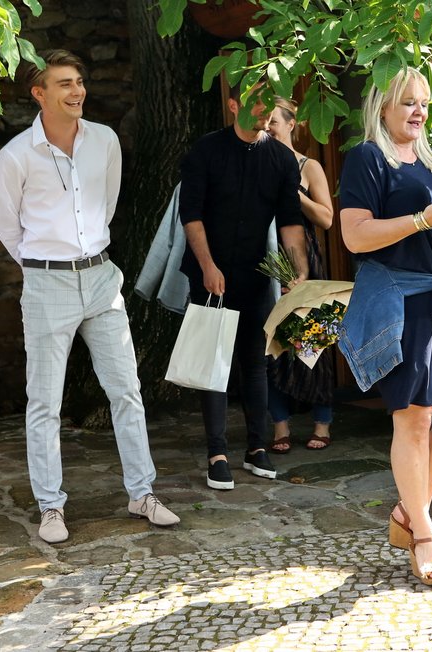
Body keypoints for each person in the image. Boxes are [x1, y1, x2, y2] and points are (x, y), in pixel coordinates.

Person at [0, 49, 179, 544]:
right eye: (65, 84)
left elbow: (106, 205)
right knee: (44, 402)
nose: (77, 92)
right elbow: (7, 227)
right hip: (47, 283)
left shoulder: (105, 141)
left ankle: (142, 493)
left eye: (80, 82)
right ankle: (51, 507)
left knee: (127, 390)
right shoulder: (15, 157)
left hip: (100, 278)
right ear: (39, 93)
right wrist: (45, 263)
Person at [337, 68, 432, 587]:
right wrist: (424, 219)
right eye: (407, 103)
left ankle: (407, 512)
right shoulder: (366, 158)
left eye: (423, 103)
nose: (418, 112)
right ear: (382, 107)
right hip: (399, 302)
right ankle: (423, 536)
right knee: (415, 420)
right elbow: (355, 237)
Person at [179, 85, 308, 490]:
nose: (265, 111)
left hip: (256, 274)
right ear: (233, 105)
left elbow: (290, 222)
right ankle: (216, 453)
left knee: (256, 364)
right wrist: (207, 266)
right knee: (212, 364)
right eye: (256, 102)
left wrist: (296, 271)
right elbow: (192, 216)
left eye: (270, 103)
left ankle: (256, 448)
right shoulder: (205, 151)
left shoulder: (283, 159)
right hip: (210, 274)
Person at [265, 99, 336, 452]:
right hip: (267, 258)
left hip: (306, 257)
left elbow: (326, 218)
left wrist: (292, 190)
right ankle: (280, 426)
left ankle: (322, 423)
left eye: (273, 121)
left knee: (314, 343)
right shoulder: (256, 162)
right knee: (272, 346)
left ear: (291, 124)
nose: (266, 127)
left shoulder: (310, 167)